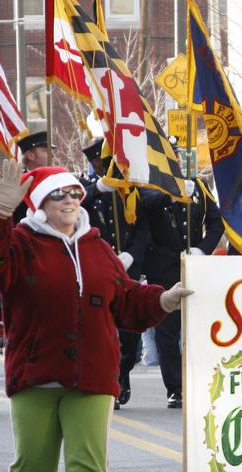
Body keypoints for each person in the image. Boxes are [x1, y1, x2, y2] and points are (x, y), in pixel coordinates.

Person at [0, 159, 192, 472]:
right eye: (58, 195)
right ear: (40, 204)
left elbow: (125, 302)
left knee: (89, 468)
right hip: (36, 374)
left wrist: (164, 299)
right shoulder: (20, 242)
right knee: (31, 470)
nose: (69, 201)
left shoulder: (97, 247)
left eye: (74, 194)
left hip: (92, 375)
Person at [78, 137, 155, 408]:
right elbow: (75, 206)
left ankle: (122, 373)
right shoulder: (88, 192)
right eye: (101, 164)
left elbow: (143, 231)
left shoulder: (131, 192)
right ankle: (109, 381)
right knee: (101, 329)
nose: (106, 168)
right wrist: (98, 189)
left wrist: (131, 255)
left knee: (130, 336)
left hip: (127, 269)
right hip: (97, 271)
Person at [144, 177, 224, 409]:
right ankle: (176, 388)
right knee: (167, 333)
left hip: (194, 265)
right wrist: (171, 193)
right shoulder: (151, 181)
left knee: (198, 330)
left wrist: (203, 248)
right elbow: (146, 204)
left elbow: (216, 222)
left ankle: (201, 382)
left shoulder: (198, 184)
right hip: (163, 267)